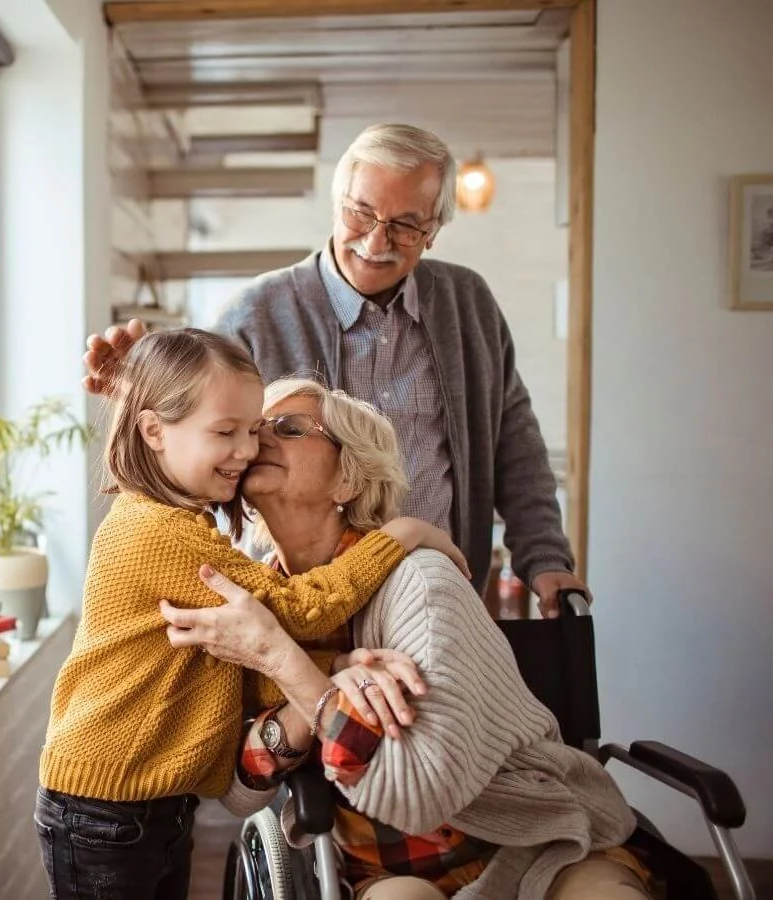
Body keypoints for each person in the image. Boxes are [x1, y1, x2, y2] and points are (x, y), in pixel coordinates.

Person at [162, 377, 654, 900]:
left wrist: (282, 661)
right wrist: (322, 685)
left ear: (348, 479)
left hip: (534, 840)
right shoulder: (259, 596)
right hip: (387, 864)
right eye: (254, 429)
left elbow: (418, 797)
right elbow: (238, 792)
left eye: (289, 427)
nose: (258, 440)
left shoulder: (420, 585)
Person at [83, 123, 587, 617]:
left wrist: (544, 558)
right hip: (305, 604)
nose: (375, 240)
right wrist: (148, 389)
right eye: (360, 213)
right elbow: (198, 444)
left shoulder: (467, 304)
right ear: (336, 201)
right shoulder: (254, 313)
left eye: (406, 224)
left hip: (435, 598)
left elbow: (515, 443)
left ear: (433, 232)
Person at [35, 329, 466, 900]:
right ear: (154, 432)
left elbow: (242, 661)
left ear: (348, 475)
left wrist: (334, 663)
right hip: (107, 809)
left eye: (262, 430)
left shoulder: (187, 529)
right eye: (230, 432)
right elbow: (301, 612)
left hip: (149, 805)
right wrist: (400, 535)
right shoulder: (163, 534)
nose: (248, 448)